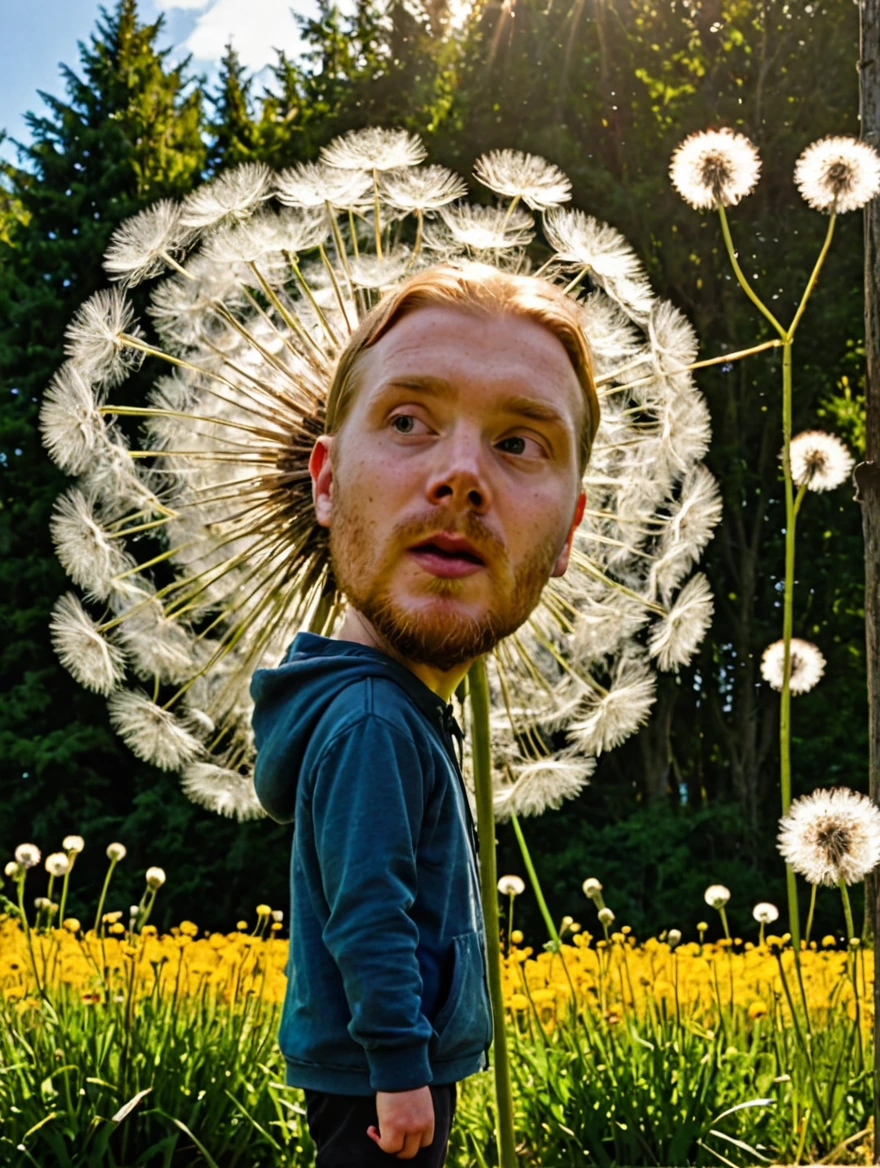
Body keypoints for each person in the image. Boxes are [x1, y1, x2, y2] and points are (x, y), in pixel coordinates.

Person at [250, 261, 600, 1166]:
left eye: (520, 442)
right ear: (323, 482)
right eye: (408, 422)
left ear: (570, 532)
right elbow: (370, 911)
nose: (460, 476)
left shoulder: (382, 712)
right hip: (384, 1075)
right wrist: (402, 1068)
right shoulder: (371, 720)